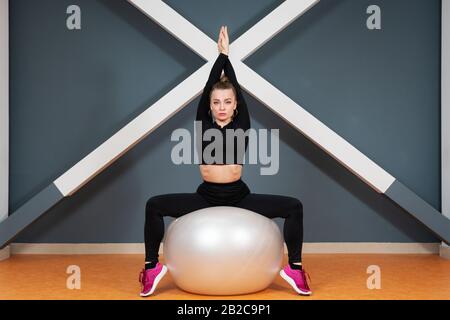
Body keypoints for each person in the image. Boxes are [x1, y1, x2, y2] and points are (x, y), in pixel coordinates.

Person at [139, 26, 311, 297]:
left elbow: (238, 91)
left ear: (235, 106)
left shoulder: (241, 125)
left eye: (227, 102)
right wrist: (219, 56)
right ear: (210, 106)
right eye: (216, 102)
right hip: (205, 196)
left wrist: (227, 59)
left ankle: (295, 268)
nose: (221, 106)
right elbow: (209, 87)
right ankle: (151, 268)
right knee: (154, 205)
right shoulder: (204, 126)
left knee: (294, 207)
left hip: (238, 196)